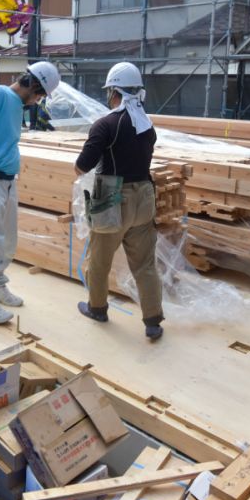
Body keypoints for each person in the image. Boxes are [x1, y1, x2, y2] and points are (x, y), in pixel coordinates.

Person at [0, 60, 61, 325]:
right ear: (32, 84)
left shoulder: (17, 105)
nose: (38, 99)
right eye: (40, 94)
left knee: (7, 241)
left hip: (7, 180)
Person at [74, 62, 164, 341]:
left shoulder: (105, 124)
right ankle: (152, 321)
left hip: (111, 195)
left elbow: (81, 166)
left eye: (108, 91)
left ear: (114, 91)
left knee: (100, 260)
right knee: (145, 264)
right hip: (145, 196)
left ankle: (97, 308)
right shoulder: (146, 126)